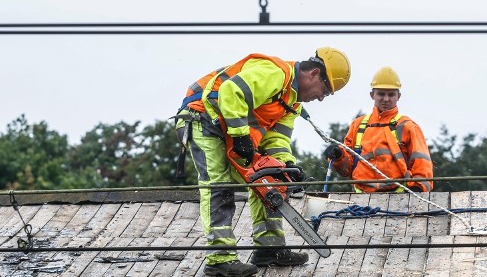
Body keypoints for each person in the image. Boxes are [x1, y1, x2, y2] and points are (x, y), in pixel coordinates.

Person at [175, 47, 351, 277]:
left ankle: (270, 248)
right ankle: (220, 258)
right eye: (325, 91)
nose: (320, 97)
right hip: (203, 119)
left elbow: (277, 139)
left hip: (232, 130)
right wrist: (240, 135)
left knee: (268, 180)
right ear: (314, 74)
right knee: (219, 185)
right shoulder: (276, 73)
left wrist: (285, 167)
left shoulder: (292, 103)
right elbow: (231, 91)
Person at [323, 66, 433, 193]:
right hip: (360, 198)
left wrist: (418, 189)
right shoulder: (358, 125)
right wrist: (338, 156)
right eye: (381, 93)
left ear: (399, 96)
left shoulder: (407, 126)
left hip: (398, 197)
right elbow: (346, 170)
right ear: (372, 95)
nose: (386, 99)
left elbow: (422, 164)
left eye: (391, 94)